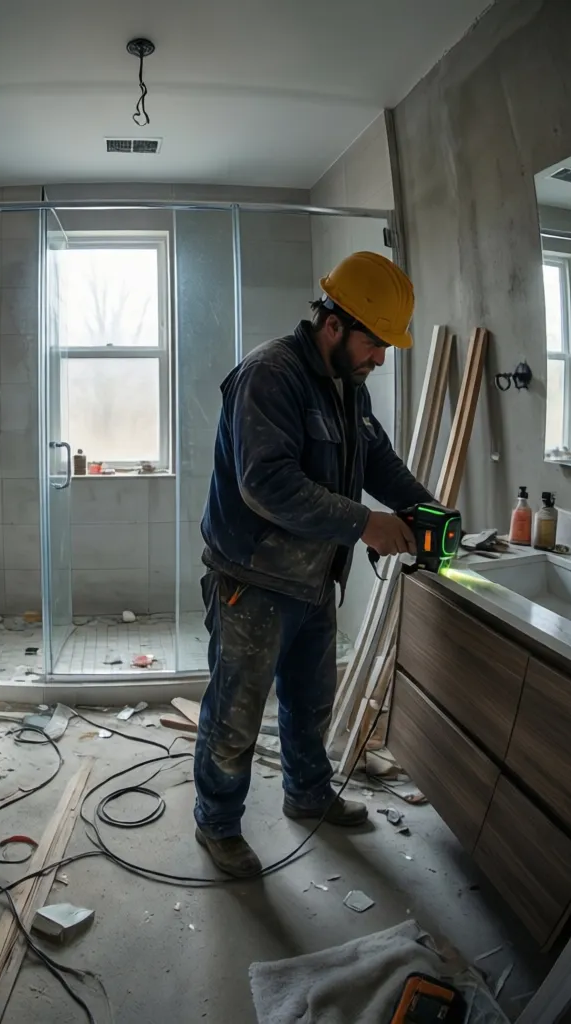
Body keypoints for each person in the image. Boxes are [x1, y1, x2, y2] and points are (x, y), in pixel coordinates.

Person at [192, 251, 435, 877]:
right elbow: (265, 484)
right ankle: (217, 822)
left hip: (313, 578)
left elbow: (375, 460)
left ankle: (306, 792)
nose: (381, 357)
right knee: (237, 711)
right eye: (375, 343)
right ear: (335, 324)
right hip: (253, 580)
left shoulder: (346, 385)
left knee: (310, 700)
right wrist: (367, 524)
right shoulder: (270, 375)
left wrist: (425, 509)